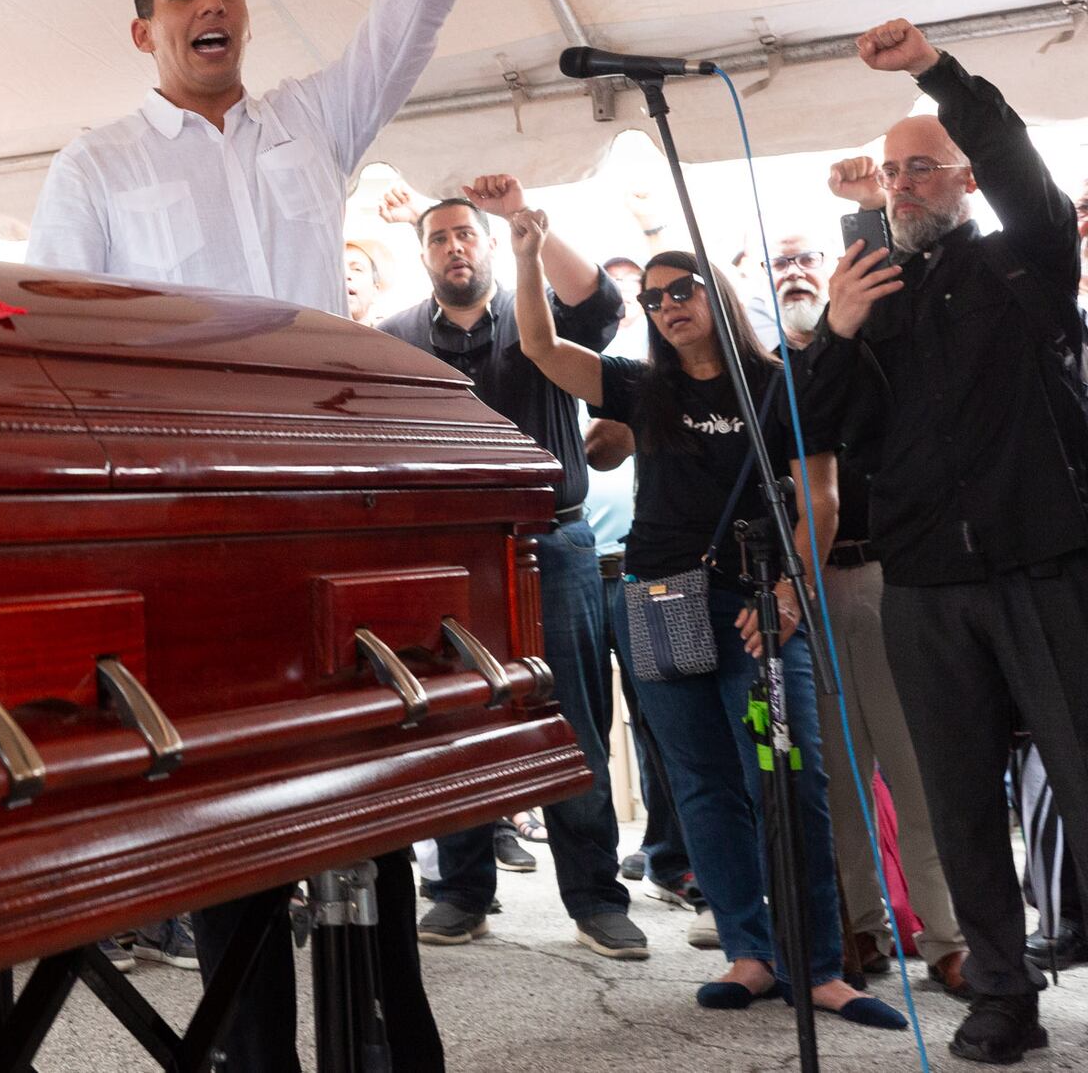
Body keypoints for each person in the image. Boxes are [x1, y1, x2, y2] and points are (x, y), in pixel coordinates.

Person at [28, 0, 517, 1073]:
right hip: (185, 526)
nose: (214, 2)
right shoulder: (99, 163)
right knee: (236, 817)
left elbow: (407, 17)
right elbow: (55, 352)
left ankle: (384, 1038)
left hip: (328, 512)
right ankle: (253, 1052)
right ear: (144, 31)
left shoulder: (311, 123)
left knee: (367, 792)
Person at [507, 209, 905, 1030]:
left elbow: (820, 498)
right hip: (657, 597)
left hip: (759, 603)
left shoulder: (783, 380)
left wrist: (791, 597)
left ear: (716, 292)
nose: (667, 305)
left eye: (682, 289)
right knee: (700, 785)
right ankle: (750, 955)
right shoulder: (641, 386)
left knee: (790, 778)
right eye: (652, 298)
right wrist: (526, 251)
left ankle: (820, 964)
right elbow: (545, 349)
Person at [809, 20, 1088, 1063]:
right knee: (958, 800)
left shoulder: (1026, 258)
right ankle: (1002, 995)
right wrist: (831, 332)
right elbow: (816, 427)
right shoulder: (867, 294)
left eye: (921, 169)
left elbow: (1020, 164)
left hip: (1044, 566)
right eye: (890, 175)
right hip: (923, 588)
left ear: (960, 180)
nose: (903, 187)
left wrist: (936, 74)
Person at [376, 181, 645, 960]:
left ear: (486, 244)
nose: (454, 246)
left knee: (573, 717)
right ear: (422, 254)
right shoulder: (394, 336)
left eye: (466, 234)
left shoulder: (543, 316)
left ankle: (595, 898)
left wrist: (527, 224)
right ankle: (461, 891)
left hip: (552, 543)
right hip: (450, 557)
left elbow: (602, 303)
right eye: (439, 238)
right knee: (461, 716)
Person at [768, 230, 968, 993]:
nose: (794, 272)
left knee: (918, 766)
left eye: (806, 259)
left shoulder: (881, 348)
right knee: (838, 777)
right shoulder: (770, 371)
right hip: (807, 587)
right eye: (779, 262)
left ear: (837, 270)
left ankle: (949, 937)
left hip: (888, 574)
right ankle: (858, 927)